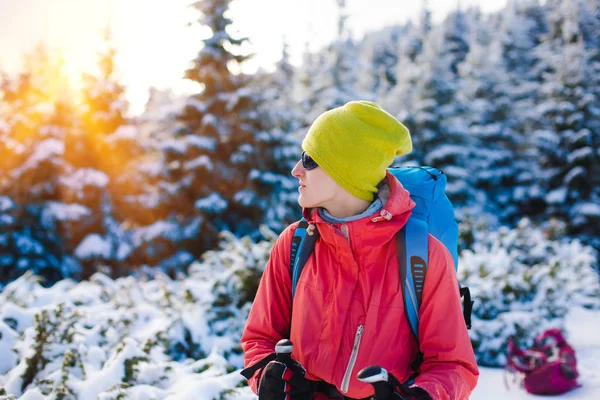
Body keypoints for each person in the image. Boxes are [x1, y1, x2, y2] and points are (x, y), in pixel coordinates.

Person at [241, 101, 479, 400]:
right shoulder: (295, 242)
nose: (296, 170)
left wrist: (419, 397)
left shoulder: (424, 256)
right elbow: (259, 338)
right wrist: (268, 376)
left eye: (309, 159)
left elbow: (453, 364)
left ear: (347, 170)